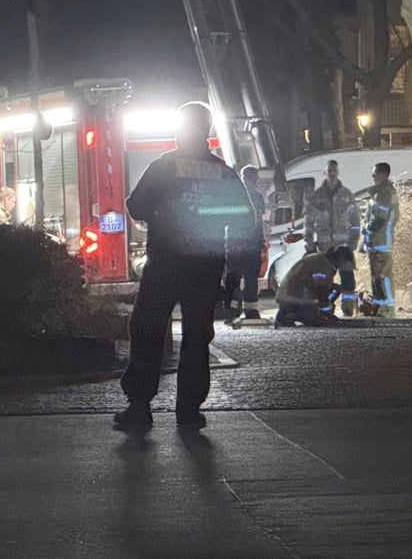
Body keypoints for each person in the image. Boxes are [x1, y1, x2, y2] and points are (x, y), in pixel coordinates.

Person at [114, 101, 256, 431]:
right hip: (205, 269)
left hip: (164, 263)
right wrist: (232, 273)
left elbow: (136, 206)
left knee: (147, 330)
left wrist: (167, 213)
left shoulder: (165, 167)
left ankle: (139, 407)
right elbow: (242, 222)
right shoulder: (223, 173)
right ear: (206, 131)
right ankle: (189, 411)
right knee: (196, 337)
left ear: (181, 129)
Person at [303, 159, 360, 316]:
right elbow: (308, 220)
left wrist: (354, 240)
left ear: (338, 172)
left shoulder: (347, 195)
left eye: (334, 171)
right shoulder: (317, 196)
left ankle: (348, 308)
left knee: (347, 276)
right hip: (324, 245)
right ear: (324, 174)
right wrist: (308, 240)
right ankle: (325, 308)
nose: (332, 174)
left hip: (343, 244)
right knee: (324, 279)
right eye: (329, 171)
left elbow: (355, 220)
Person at [223, 164, 267, 323]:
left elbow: (259, 222)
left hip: (250, 243)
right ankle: (232, 310)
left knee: (250, 278)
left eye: (255, 178)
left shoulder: (258, 197)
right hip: (238, 242)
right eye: (251, 178)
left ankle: (249, 310)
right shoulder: (233, 197)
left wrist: (261, 240)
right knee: (235, 277)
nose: (254, 181)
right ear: (244, 178)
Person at [274, 245, 355, 327]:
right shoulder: (324, 266)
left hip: (289, 296)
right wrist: (325, 314)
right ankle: (295, 314)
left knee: (335, 289)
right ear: (341, 259)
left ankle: (291, 314)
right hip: (296, 299)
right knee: (319, 322)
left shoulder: (321, 259)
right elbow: (320, 290)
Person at [362, 162, 399, 318]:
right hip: (380, 240)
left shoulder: (383, 193)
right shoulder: (383, 192)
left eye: (375, 173)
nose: (373, 176)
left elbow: (378, 218)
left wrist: (367, 230)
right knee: (379, 275)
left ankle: (387, 307)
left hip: (380, 240)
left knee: (383, 275)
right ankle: (381, 305)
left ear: (383, 174)